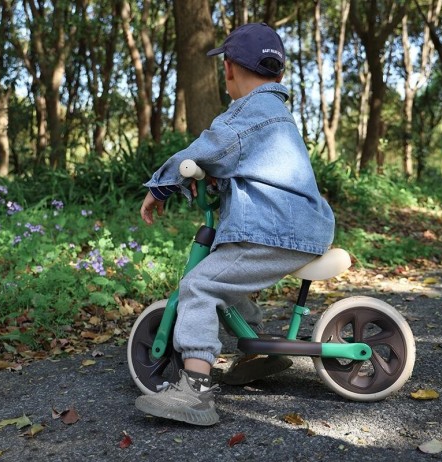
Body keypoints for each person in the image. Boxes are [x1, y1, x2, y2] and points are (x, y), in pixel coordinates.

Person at [135, 22, 335, 426]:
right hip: (302, 226)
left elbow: (210, 147)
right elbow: (245, 163)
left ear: (228, 69)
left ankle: (195, 390)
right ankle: (259, 353)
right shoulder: (277, 112)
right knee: (228, 274)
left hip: (274, 229)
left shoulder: (247, 112)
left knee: (200, 284)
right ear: (278, 75)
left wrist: (163, 184)